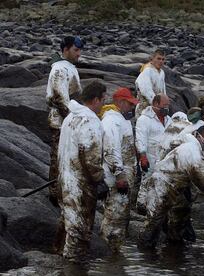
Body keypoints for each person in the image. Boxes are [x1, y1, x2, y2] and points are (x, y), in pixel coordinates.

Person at [137, 125, 204, 248]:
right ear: (198, 135)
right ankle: (145, 251)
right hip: (162, 185)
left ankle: (170, 250)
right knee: (154, 221)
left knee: (177, 217)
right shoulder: (192, 151)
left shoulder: (194, 148)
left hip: (174, 187)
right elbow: (202, 178)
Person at [57, 81, 106, 263]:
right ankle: (72, 268)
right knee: (79, 232)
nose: (103, 104)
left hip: (65, 179)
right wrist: (99, 180)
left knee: (68, 224)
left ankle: (62, 261)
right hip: (81, 184)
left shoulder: (70, 117)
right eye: (103, 99)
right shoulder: (90, 120)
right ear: (95, 99)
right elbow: (91, 155)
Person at [46, 36, 84, 207]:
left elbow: (76, 96)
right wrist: (74, 120)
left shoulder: (70, 68)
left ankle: (66, 189)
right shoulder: (59, 69)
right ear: (66, 49)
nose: (79, 53)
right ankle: (55, 192)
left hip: (69, 121)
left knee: (69, 157)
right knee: (58, 156)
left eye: (79, 50)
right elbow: (60, 98)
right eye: (76, 50)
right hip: (60, 122)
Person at [100, 87, 138, 253]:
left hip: (124, 178)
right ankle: (108, 254)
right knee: (114, 217)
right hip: (117, 180)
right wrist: (120, 176)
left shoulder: (122, 119)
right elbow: (111, 150)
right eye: (130, 104)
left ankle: (114, 254)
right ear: (121, 102)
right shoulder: (111, 121)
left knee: (120, 217)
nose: (132, 108)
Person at [135, 94, 172, 177]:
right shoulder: (144, 119)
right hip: (150, 162)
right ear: (156, 104)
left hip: (165, 161)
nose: (166, 108)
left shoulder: (169, 120)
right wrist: (143, 157)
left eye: (168, 105)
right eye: (164, 105)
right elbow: (141, 138)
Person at [135, 49, 167, 117]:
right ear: (152, 59)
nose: (161, 61)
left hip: (157, 107)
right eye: (158, 58)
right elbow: (145, 90)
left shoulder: (162, 73)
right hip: (144, 109)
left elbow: (163, 91)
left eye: (163, 59)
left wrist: (165, 104)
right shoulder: (147, 70)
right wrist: (157, 104)